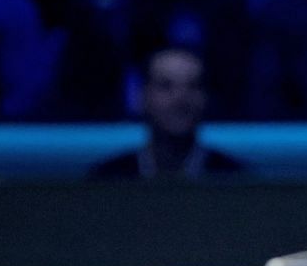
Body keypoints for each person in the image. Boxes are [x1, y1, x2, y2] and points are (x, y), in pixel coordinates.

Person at [89, 45, 245, 178]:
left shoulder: (236, 180)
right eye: (165, 86)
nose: (181, 99)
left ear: (206, 97)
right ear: (142, 97)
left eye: (193, 86)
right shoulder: (108, 180)